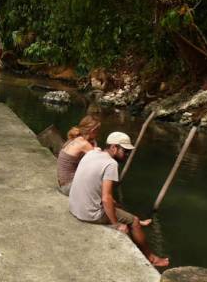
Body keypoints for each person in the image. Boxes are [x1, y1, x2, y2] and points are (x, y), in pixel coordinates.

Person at [69, 131, 169, 268]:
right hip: (88, 213)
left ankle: (135, 221)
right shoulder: (111, 164)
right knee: (133, 222)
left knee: (117, 205)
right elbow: (106, 198)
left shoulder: (92, 153)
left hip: (74, 206)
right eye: (125, 151)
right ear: (114, 147)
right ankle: (152, 258)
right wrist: (116, 224)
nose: (127, 155)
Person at [56, 115, 101, 195]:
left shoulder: (75, 138)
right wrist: (96, 147)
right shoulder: (84, 144)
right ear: (93, 130)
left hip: (63, 185)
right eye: (98, 131)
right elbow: (100, 162)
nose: (98, 133)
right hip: (69, 187)